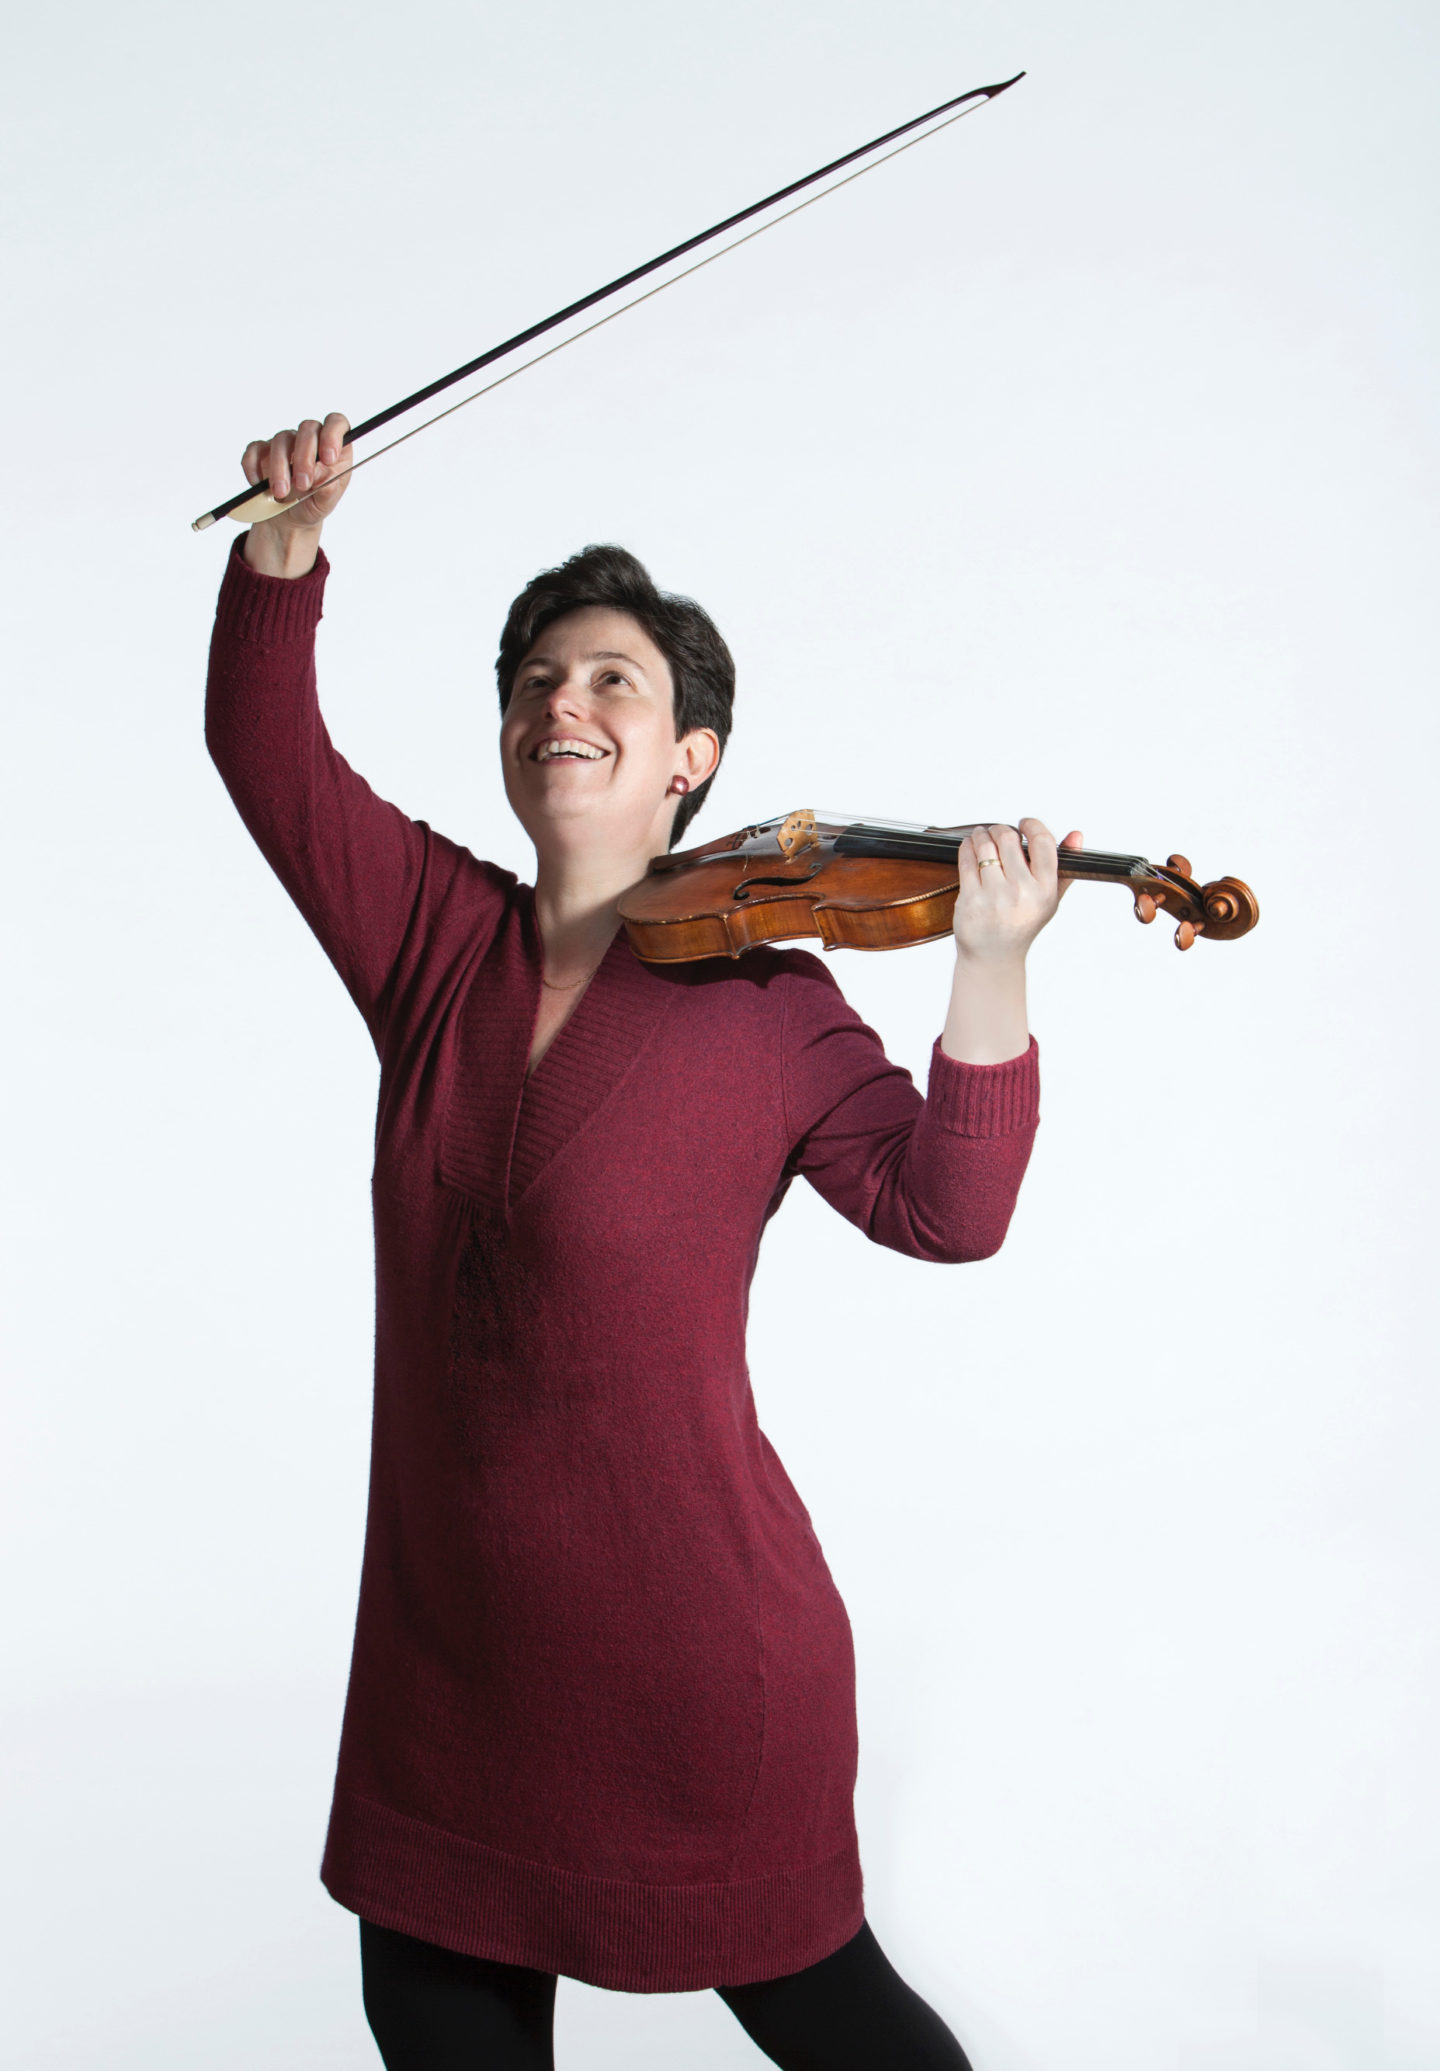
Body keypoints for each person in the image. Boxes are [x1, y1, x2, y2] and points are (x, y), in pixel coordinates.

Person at [205, 412, 1080, 2071]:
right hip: (447, 1676)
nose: (564, 702)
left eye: (614, 680)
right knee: (430, 2021)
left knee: (848, 2034)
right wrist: (285, 549)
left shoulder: (771, 1005)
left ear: (692, 759)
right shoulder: (431, 939)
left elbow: (949, 1210)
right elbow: (268, 756)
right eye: (537, 680)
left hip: (692, 1670)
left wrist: (990, 963)